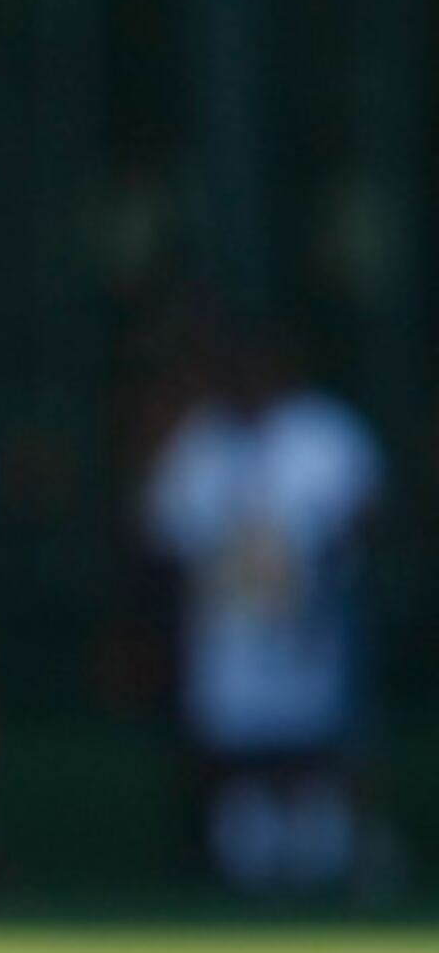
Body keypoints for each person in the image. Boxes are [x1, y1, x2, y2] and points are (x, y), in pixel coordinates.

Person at [142, 335, 383, 895]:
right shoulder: (201, 443)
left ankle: (345, 856)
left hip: (313, 624)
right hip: (228, 630)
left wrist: (320, 586)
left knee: (324, 741)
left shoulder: (321, 433)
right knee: (233, 746)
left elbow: (363, 513)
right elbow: (165, 535)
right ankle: (236, 861)